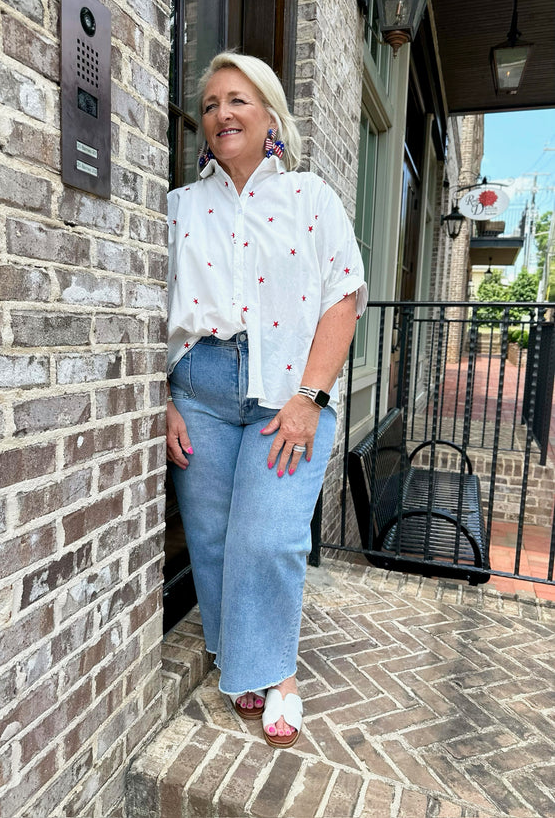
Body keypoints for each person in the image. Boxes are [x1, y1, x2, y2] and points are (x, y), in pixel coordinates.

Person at [166, 52, 367, 748]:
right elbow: (151, 311)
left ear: (270, 116)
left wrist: (311, 396)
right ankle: (239, 661)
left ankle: (277, 671)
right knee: (216, 538)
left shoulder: (311, 197)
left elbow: (343, 297)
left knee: (271, 535)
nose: (223, 112)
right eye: (214, 101)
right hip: (201, 386)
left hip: (288, 389)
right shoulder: (182, 206)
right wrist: (163, 398)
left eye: (239, 99)